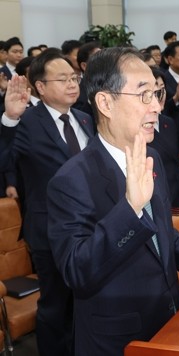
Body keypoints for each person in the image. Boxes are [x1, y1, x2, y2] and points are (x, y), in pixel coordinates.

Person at [46, 47, 179, 356]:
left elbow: (161, 233)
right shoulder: (70, 180)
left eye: (156, 93)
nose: (156, 106)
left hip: (169, 322)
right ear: (105, 103)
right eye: (144, 95)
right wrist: (130, 209)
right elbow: (77, 270)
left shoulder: (150, 156)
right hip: (118, 340)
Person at [1, 48, 94, 356]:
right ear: (39, 86)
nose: (72, 84)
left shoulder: (84, 117)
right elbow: (6, 160)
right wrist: (10, 119)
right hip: (51, 232)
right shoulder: (27, 122)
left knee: (86, 301)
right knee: (56, 306)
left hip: (92, 227)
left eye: (74, 77)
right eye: (62, 79)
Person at [148, 66, 179, 207]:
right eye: (154, 91)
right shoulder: (138, 128)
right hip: (157, 202)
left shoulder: (168, 122)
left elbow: (177, 164)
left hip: (177, 197)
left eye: (162, 89)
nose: (160, 95)